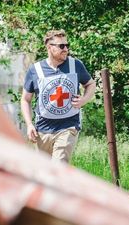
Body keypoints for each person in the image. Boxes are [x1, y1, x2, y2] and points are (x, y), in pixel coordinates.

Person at [21, 29, 95, 163]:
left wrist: (84, 99)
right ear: (49, 47)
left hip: (68, 127)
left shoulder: (75, 65)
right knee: (45, 173)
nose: (66, 49)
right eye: (61, 46)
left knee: (58, 167)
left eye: (67, 45)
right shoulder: (35, 70)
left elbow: (90, 84)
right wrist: (29, 124)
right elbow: (26, 99)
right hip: (42, 130)